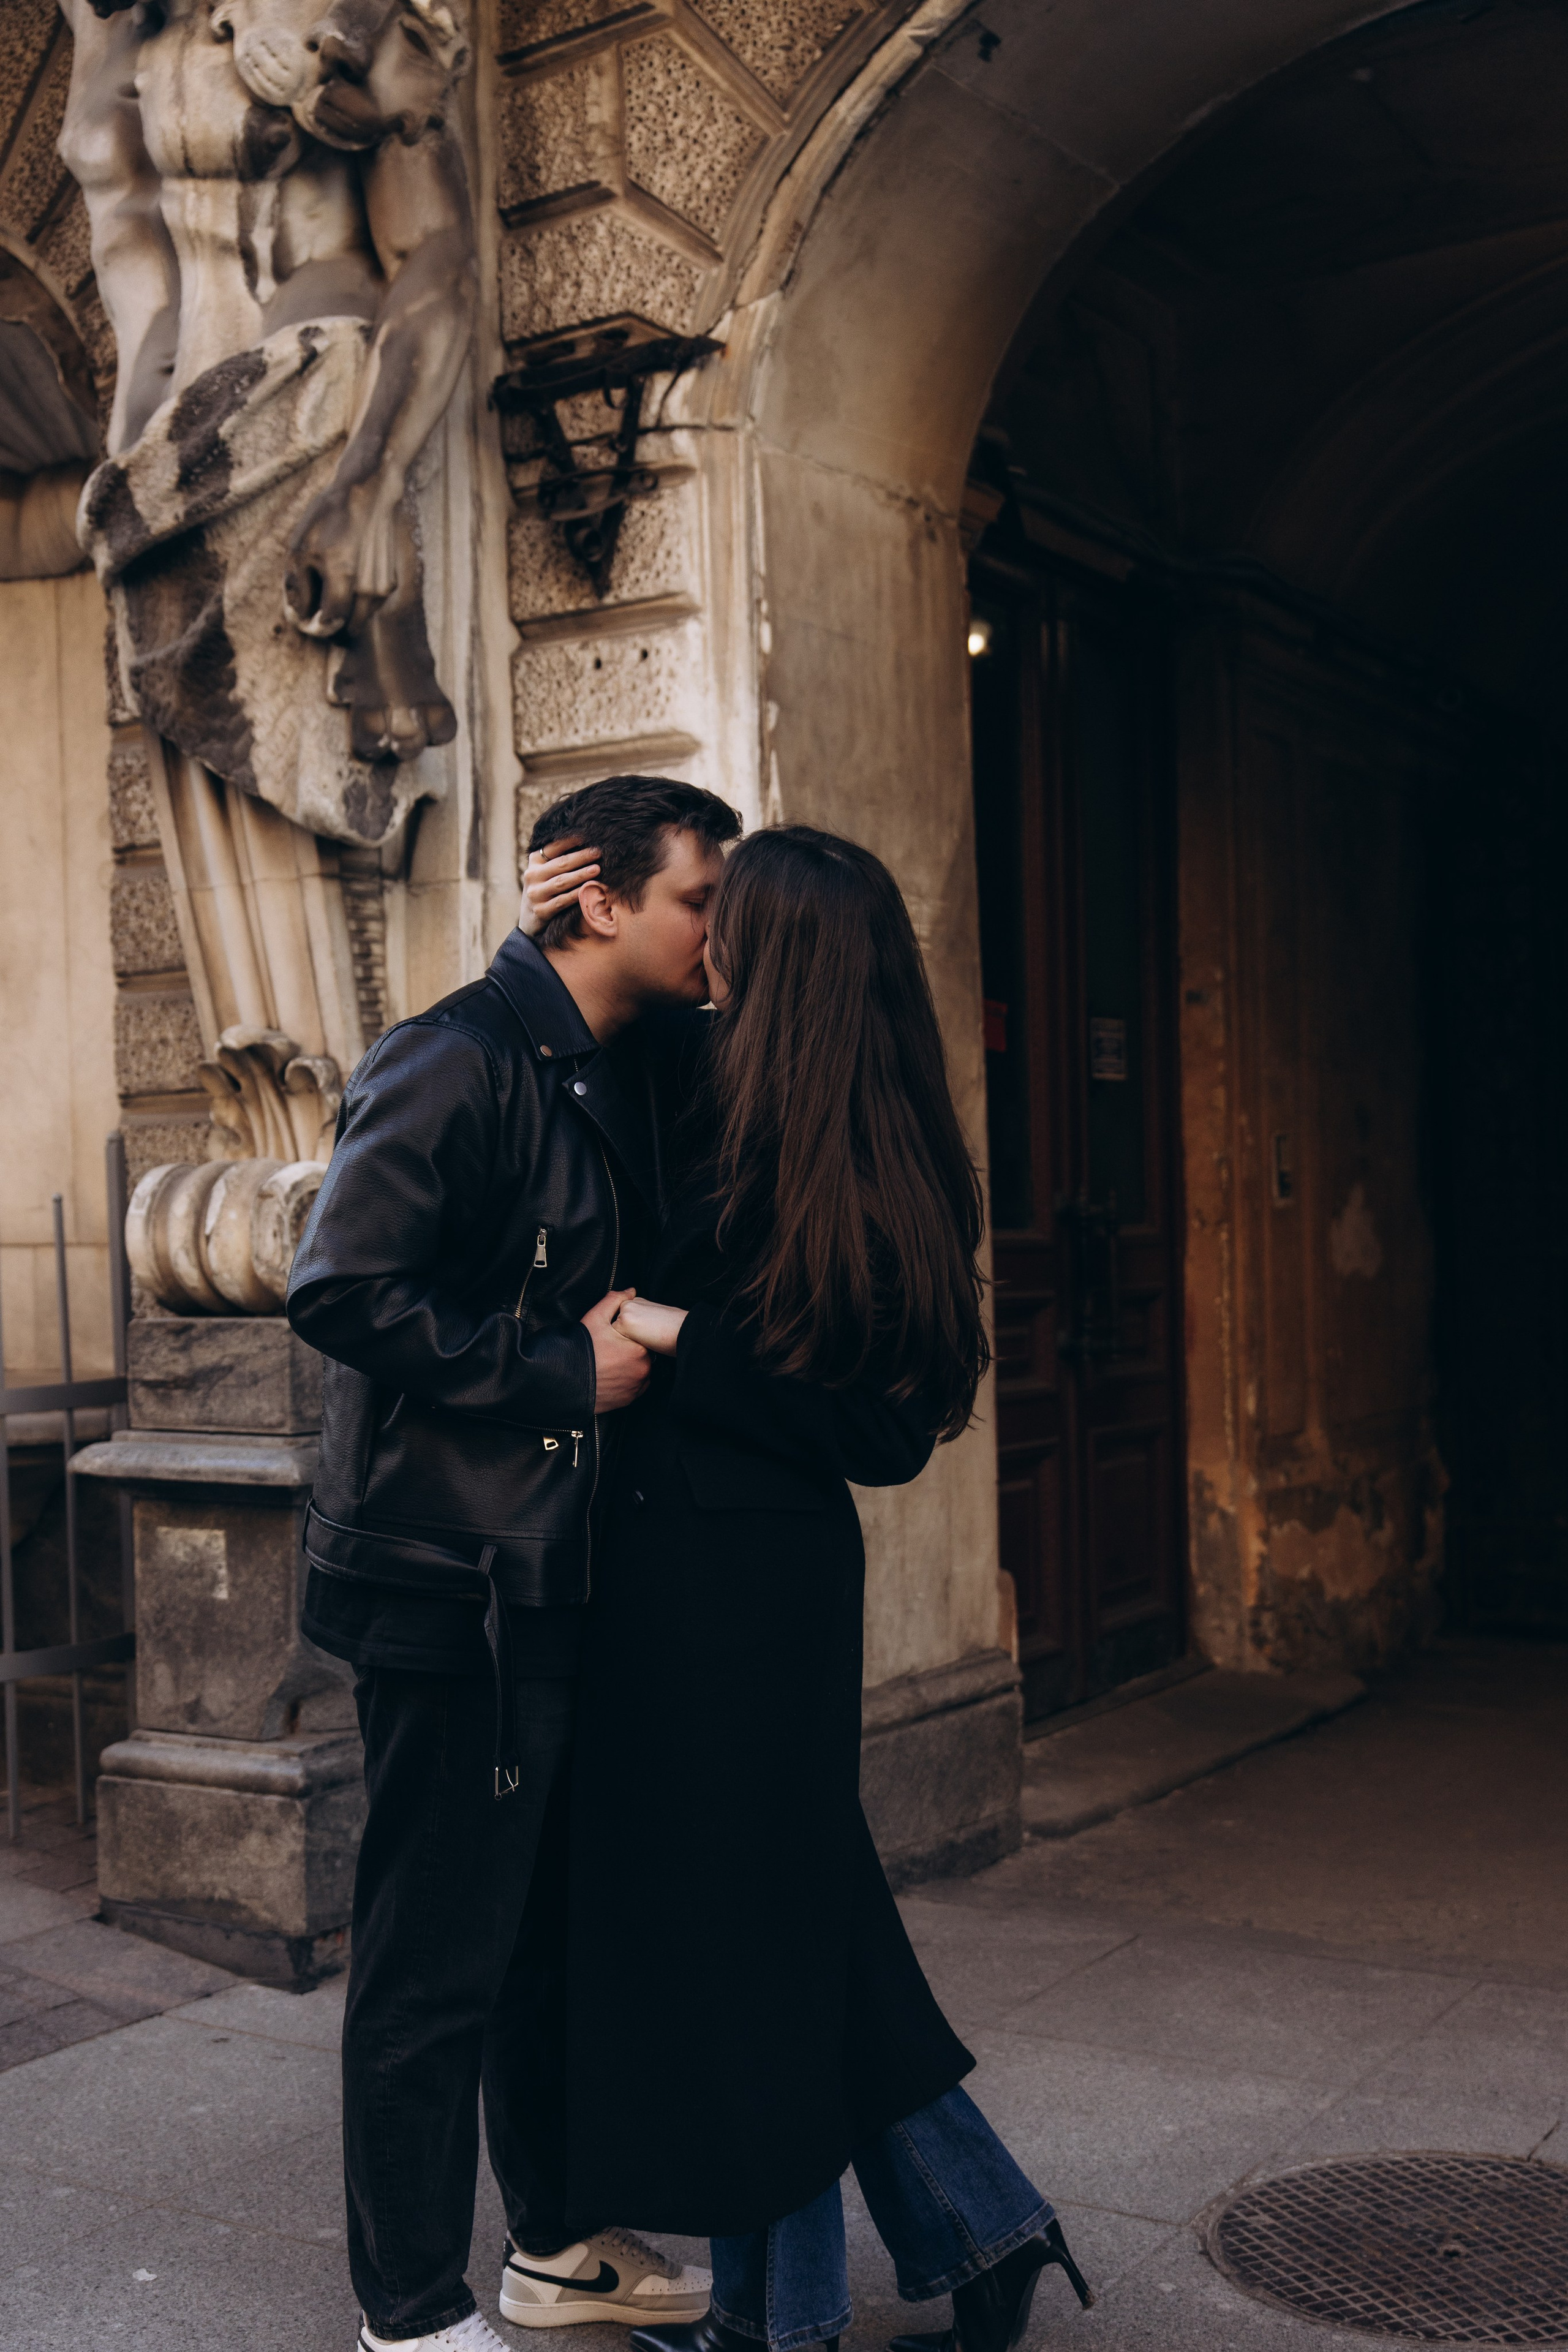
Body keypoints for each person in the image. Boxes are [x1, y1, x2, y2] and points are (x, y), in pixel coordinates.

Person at [519, 826, 1095, 2352]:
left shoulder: (867, 1149)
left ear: (787, 962)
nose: (704, 943)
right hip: (685, 1577)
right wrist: (547, 944)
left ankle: (778, 2324)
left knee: (747, 1951)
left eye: (728, 921)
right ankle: (982, 2230)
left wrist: (682, 1335)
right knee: (793, 1925)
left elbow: (878, 1430)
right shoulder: (727, 1084)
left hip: (737, 1595)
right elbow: (555, 1050)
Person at [287, 774, 741, 2351]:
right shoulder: (455, 1058)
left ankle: (553, 2247)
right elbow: (341, 1286)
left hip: (549, 1574)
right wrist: (556, 1371)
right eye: (700, 901)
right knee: (432, 1963)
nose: (719, 934)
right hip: (450, 1585)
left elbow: (762, 1040)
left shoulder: (608, 1058)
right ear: (602, 900)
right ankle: (406, 2310)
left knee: (546, 1941)